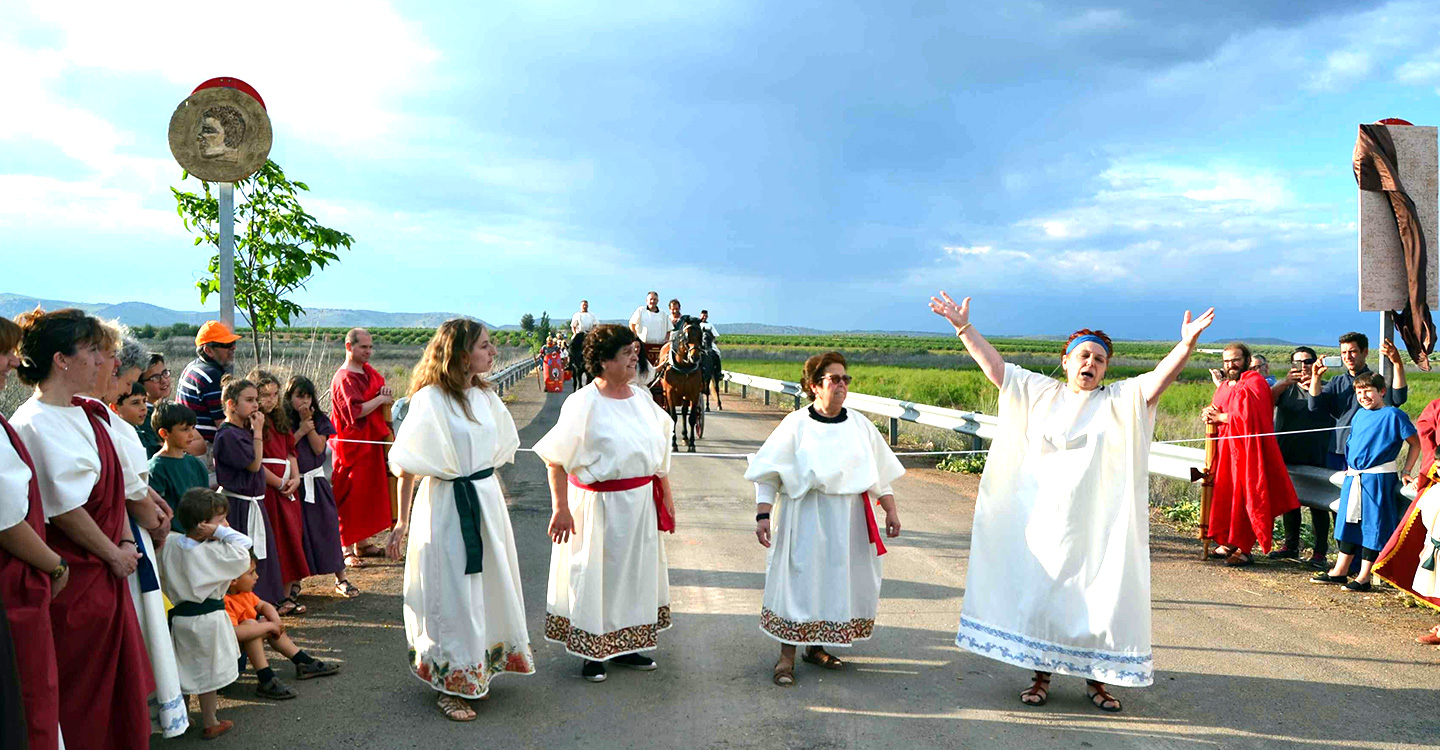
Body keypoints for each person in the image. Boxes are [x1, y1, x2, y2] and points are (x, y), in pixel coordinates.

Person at [931, 291, 1214, 714]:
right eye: (1083, 356)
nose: (1091, 364)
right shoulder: (1040, 392)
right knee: (1045, 596)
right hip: (1043, 520)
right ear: (1066, 361)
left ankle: (1097, 682)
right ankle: (1040, 676)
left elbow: (1157, 380)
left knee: (1097, 600)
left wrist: (1186, 345)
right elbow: (996, 369)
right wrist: (963, 328)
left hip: (1098, 524)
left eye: (1099, 360)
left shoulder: (1118, 401)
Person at [9, 307, 154, 748]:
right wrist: (114, 553)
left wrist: (126, 541)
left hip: (110, 571)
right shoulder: (33, 422)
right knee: (82, 698)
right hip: (77, 582)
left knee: (118, 693)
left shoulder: (88, 411)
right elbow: (63, 510)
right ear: (61, 359)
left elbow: (115, 493)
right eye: (92, 350)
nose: (102, 360)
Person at [385, 319, 536, 721]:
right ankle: (449, 684)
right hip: (447, 506)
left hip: (484, 502)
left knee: (485, 588)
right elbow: (406, 466)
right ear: (461, 353)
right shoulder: (430, 399)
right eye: (485, 346)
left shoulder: (486, 397)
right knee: (450, 592)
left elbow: (497, 451)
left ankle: (477, 667)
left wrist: (493, 503)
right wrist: (401, 522)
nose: (493, 352)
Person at [746, 352, 904, 687]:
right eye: (835, 379)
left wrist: (889, 508)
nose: (843, 385)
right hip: (805, 515)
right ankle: (786, 657)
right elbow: (768, 473)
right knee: (800, 581)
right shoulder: (796, 425)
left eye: (846, 379)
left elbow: (878, 474)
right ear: (815, 386)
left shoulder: (860, 424)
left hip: (847, 519)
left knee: (834, 581)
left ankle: (815, 647)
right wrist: (762, 513)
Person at [535, 323, 676, 684]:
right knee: (595, 574)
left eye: (635, 352)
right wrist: (560, 508)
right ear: (603, 361)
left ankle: (627, 645)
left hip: (640, 503)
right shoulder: (582, 402)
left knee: (634, 574)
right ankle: (591, 651)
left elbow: (660, 454)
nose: (635, 357)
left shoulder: (643, 398)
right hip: (597, 505)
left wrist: (668, 499)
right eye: (627, 352)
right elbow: (556, 458)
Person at [90, 321, 187, 739]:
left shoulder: (108, 423)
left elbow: (138, 484)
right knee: (138, 624)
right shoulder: (113, 425)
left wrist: (156, 509)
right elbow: (133, 493)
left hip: (129, 530)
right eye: (128, 382)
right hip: (121, 535)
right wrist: (157, 522)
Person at [0, 314, 66, 750]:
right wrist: (55, 565)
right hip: (12, 582)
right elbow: (6, 521)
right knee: (24, 700)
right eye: (3, 353)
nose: (10, 363)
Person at [1311, 372, 1420, 592]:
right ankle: (1340, 571)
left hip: (1378, 478)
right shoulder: (1359, 416)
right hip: (1354, 476)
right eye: (1359, 392)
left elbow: (1415, 443)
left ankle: (1364, 576)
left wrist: (1407, 470)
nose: (1363, 396)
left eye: (1368, 390)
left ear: (1381, 391)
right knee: (1348, 523)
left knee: (1373, 526)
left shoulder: (1393, 415)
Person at [159, 488, 254, 740]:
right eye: (221, 521)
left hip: (180, 618)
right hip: (208, 619)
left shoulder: (169, 544)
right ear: (204, 525)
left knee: (184, 668)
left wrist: (216, 530)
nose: (225, 525)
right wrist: (220, 534)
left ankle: (182, 716)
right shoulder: (215, 553)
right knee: (206, 672)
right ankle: (210, 721)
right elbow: (245, 547)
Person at [1200, 343, 1300, 566]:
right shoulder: (1225, 385)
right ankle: (1227, 541)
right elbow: (1217, 408)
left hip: (1248, 453)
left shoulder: (1255, 383)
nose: (1230, 365)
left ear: (1246, 359)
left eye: (1235, 360)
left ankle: (1244, 548)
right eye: (1226, 361)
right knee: (1225, 496)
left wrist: (1222, 418)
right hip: (1224, 452)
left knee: (1246, 498)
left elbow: (1254, 416)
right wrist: (1208, 413)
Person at [226, 554, 342, 702]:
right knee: (252, 626)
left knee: (262, 624)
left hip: (240, 646)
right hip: (226, 657)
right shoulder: (224, 601)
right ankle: (265, 678)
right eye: (251, 573)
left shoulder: (243, 593)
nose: (257, 576)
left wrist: (275, 620)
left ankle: (302, 662)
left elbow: (263, 605)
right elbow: (234, 634)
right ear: (233, 580)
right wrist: (270, 625)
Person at [214, 376, 285, 605]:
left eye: (256, 400)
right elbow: (254, 465)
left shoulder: (242, 431)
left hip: (253, 504)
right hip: (239, 507)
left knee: (260, 555)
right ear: (231, 405)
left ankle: (264, 601)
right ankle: (248, 604)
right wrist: (257, 432)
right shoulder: (227, 435)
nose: (255, 405)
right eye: (249, 400)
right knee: (245, 557)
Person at [285, 375, 356, 598]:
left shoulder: (320, 419)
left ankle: (341, 577)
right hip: (293, 484)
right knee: (297, 534)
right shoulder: (283, 421)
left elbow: (318, 449)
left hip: (316, 482)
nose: (303, 402)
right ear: (290, 398)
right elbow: (283, 448)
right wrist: (300, 430)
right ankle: (295, 582)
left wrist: (310, 427)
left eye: (307, 396)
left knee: (327, 529)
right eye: (299, 396)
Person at [247, 368, 310, 616]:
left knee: (290, 538)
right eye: (264, 395)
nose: (271, 400)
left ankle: (286, 594)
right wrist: (276, 482)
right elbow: (257, 462)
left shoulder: (280, 420)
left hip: (288, 489)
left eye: (274, 394)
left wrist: (295, 478)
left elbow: (290, 451)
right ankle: (270, 597)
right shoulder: (254, 423)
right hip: (269, 490)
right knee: (273, 542)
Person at [331, 328, 395, 565]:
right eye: (363, 347)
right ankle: (346, 548)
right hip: (353, 444)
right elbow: (354, 411)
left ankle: (363, 543)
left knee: (367, 494)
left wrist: (383, 394)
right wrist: (380, 399)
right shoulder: (344, 378)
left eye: (370, 347)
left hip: (371, 442)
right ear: (349, 347)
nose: (368, 352)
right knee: (350, 494)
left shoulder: (367, 371)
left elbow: (379, 388)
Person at [1271, 347, 1335, 567]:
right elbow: (1264, 402)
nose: (1303, 367)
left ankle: (1320, 552)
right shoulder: (1284, 390)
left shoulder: (1326, 389)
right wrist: (1282, 384)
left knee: (1319, 506)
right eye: (1297, 362)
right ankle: (1291, 546)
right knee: (1290, 503)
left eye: (1308, 362)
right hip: (1287, 453)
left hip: (1317, 456)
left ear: (1315, 363)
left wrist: (1315, 383)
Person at [1307, 332, 1407, 470]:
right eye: (1343, 352)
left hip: (1370, 451)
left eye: (1352, 351)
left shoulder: (1375, 380)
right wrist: (1316, 377)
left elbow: (1398, 398)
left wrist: (1397, 363)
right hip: (1340, 450)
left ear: (1364, 352)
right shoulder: (1337, 382)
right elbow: (1314, 407)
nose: (1347, 357)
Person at [148, 402, 211, 532]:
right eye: (184, 429)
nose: (191, 435)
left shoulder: (195, 464)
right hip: (173, 538)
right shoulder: (156, 468)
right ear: (164, 433)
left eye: (192, 428)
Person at [177, 321, 242, 446]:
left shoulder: (192, 367)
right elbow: (224, 425)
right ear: (208, 350)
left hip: (190, 445)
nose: (233, 348)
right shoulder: (213, 377)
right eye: (227, 344)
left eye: (233, 343)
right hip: (207, 449)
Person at [136, 353, 171, 458]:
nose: (163, 380)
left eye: (165, 373)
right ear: (140, 383)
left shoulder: (169, 407)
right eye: (155, 378)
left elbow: (199, 445)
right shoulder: (143, 415)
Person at [628, 292, 668, 368]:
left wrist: (666, 340)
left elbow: (669, 329)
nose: (653, 301)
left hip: (660, 347)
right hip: (643, 346)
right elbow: (632, 324)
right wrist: (637, 339)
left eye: (655, 299)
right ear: (647, 300)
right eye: (651, 299)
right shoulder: (641, 310)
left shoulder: (663, 314)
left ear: (658, 301)